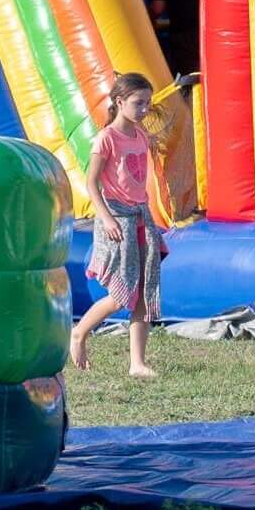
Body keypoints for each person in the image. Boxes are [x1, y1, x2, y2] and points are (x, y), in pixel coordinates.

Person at [71, 72, 163, 377]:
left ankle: (137, 363)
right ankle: (79, 333)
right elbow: (91, 182)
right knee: (122, 294)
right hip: (116, 219)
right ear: (119, 102)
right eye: (138, 103)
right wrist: (107, 218)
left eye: (148, 103)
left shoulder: (139, 135)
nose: (144, 109)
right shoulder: (106, 138)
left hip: (140, 215)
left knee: (144, 291)